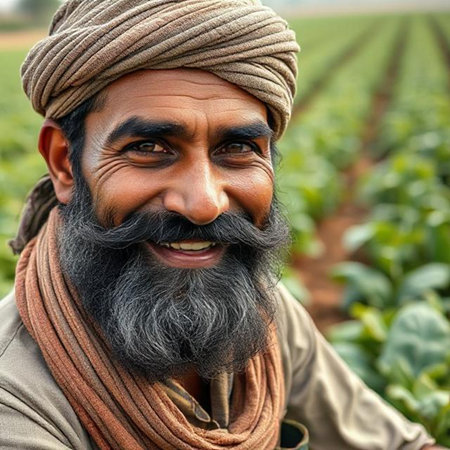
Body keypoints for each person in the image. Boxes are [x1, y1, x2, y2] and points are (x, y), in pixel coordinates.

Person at [0, 1, 442, 449]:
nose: (204, 204)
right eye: (150, 147)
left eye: (237, 147)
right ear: (64, 164)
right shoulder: (15, 404)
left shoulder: (260, 312)